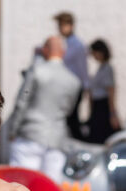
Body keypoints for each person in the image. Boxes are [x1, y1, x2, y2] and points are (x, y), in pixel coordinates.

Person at [8, 36, 80, 183]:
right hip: (56, 138)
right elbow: (69, 110)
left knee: (22, 185)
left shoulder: (36, 71)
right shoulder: (73, 80)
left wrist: (12, 130)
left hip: (30, 134)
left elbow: (22, 102)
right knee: (51, 188)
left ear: (45, 50)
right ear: (63, 53)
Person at [54, 11, 88, 141]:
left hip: (75, 87)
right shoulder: (66, 43)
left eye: (63, 25)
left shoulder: (77, 45)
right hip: (67, 88)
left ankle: (79, 144)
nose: (60, 29)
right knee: (68, 120)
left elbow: (81, 67)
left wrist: (86, 86)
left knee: (72, 120)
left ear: (71, 26)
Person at [86, 39, 120, 143]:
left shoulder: (107, 68)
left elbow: (111, 91)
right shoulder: (101, 68)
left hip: (103, 107)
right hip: (97, 107)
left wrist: (112, 114)